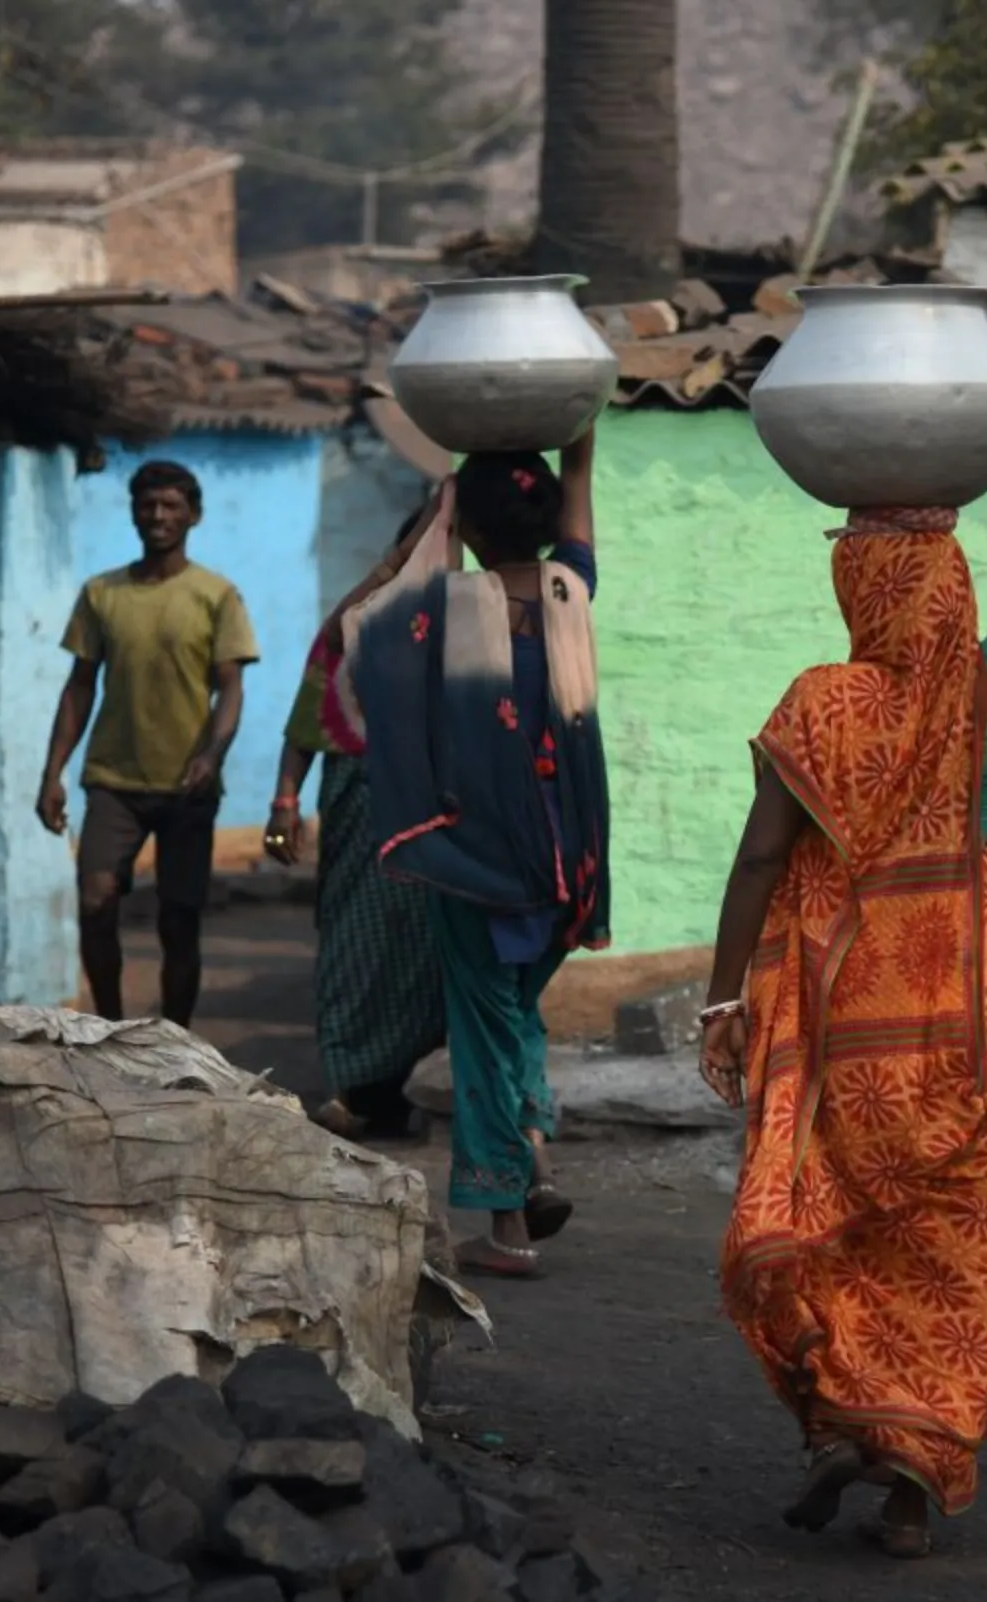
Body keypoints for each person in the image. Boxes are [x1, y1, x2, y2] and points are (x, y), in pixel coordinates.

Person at [697, 285, 987, 1560]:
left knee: (824, 1223)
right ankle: (909, 1470)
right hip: (953, 1036)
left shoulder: (820, 705)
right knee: (949, 1243)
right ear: (952, 594)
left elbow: (761, 858)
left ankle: (834, 1431)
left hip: (835, 1024)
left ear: (859, 592)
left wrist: (720, 995)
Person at [347, 430, 603, 1277]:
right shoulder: (569, 589)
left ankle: (508, 1231)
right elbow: (579, 515)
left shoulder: (451, 610)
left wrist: (436, 518)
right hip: (573, 859)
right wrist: (583, 450)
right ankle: (536, 1152)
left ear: (468, 523)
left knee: (483, 1033)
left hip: (484, 858)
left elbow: (363, 627)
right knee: (515, 1017)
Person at [39, 461, 258, 1028]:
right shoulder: (102, 593)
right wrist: (52, 772)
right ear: (133, 512)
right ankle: (110, 1028)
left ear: (194, 515)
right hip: (114, 780)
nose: (158, 516)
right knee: (95, 902)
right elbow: (79, 686)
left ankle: (174, 1038)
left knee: (179, 919)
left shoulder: (216, 596)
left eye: (170, 506)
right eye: (147, 505)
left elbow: (231, 688)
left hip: (188, 784)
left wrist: (212, 756)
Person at [266, 490, 456, 1141]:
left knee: (425, 947)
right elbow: (314, 696)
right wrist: (285, 798)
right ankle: (350, 1083)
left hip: (439, 810)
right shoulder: (364, 620)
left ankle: (404, 1087)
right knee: (354, 941)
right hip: (360, 796)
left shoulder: (471, 621)